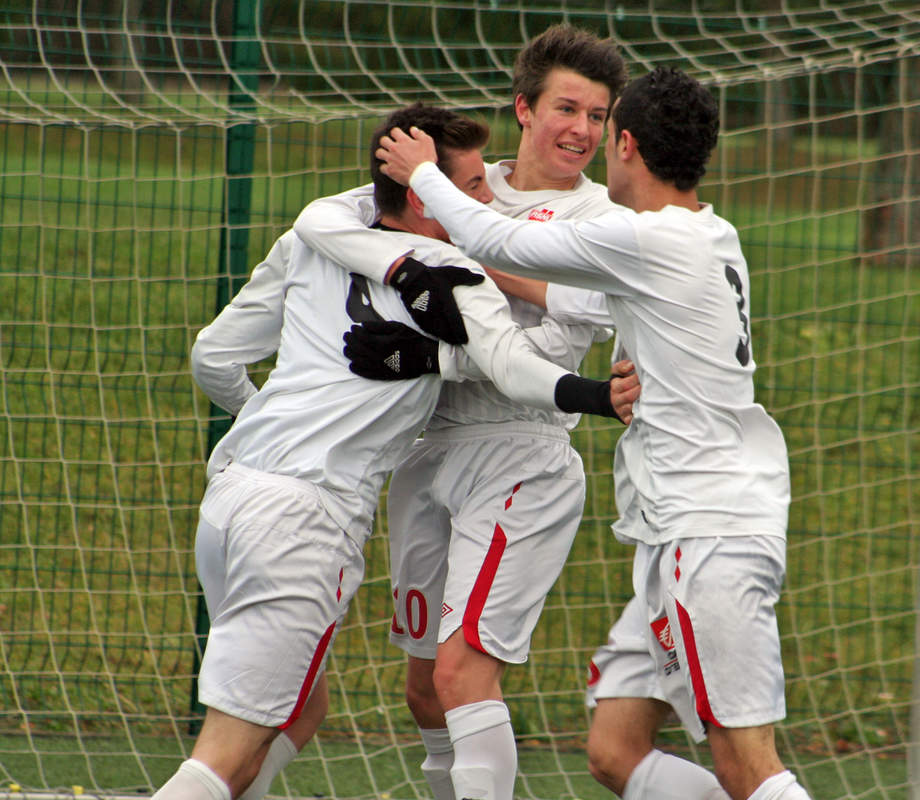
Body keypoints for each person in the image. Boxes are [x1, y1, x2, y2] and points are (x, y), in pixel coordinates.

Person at [164, 104, 637, 800]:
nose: (487, 200)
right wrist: (597, 396)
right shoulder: (452, 269)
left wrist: (273, 418)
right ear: (423, 192)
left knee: (301, 710)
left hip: (234, 496)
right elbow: (512, 366)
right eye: (474, 187)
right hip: (305, 521)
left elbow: (213, 357)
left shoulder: (317, 235)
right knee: (223, 759)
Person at [367, 66, 813, 800]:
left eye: (602, 124)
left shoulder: (646, 240)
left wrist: (424, 175)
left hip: (708, 536)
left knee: (746, 768)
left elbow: (488, 232)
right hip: (685, 532)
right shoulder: (707, 234)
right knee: (615, 749)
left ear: (626, 144)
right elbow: (556, 287)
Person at [286, 23, 628, 800]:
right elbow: (328, 219)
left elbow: (559, 336)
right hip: (423, 445)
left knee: (462, 670)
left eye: (598, 116)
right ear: (524, 109)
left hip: (520, 451)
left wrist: (459, 279)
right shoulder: (464, 178)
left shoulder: (601, 221)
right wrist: (410, 246)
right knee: (424, 690)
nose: (581, 130)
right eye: (567, 108)